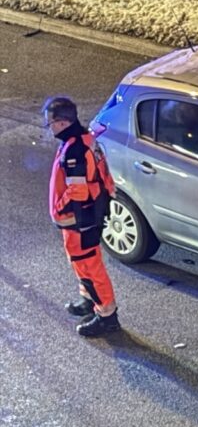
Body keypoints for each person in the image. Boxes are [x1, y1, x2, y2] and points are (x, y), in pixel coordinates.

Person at [43, 95, 120, 337]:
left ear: (62, 123)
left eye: (50, 123)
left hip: (79, 221)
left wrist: (59, 209)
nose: (49, 128)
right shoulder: (85, 139)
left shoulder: (74, 150)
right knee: (83, 263)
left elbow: (77, 191)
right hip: (87, 217)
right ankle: (89, 300)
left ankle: (106, 316)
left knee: (89, 266)